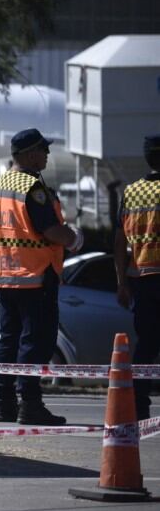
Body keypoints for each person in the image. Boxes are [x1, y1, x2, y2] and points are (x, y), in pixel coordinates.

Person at [0, 128, 83, 425]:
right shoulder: (32, 188)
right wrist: (74, 239)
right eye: (43, 149)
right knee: (36, 341)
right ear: (29, 154)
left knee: (8, 339)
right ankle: (30, 403)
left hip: (5, 276)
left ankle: (5, 404)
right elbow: (50, 230)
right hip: (35, 275)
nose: (47, 154)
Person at [114, 133, 160, 421]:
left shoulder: (131, 193)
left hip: (141, 278)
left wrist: (120, 282)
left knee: (146, 343)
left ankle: (140, 405)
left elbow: (119, 242)